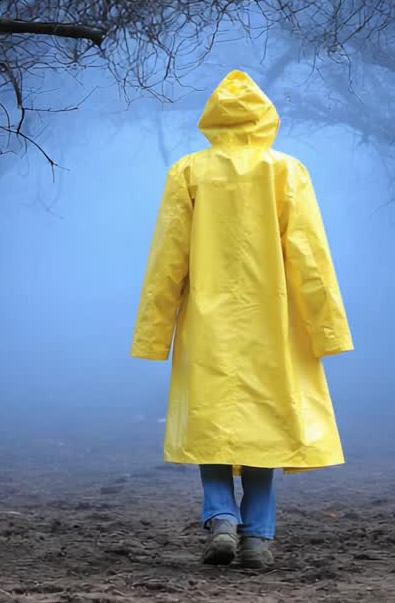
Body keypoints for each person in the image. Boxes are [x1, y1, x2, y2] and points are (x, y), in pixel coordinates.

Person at [130, 69, 353, 568]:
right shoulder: (286, 171)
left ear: (213, 120)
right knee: (264, 425)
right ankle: (257, 536)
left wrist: (154, 332)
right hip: (271, 322)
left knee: (212, 421)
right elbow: (310, 257)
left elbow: (168, 259)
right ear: (265, 118)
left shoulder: (188, 172)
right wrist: (327, 329)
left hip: (208, 323)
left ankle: (221, 518)